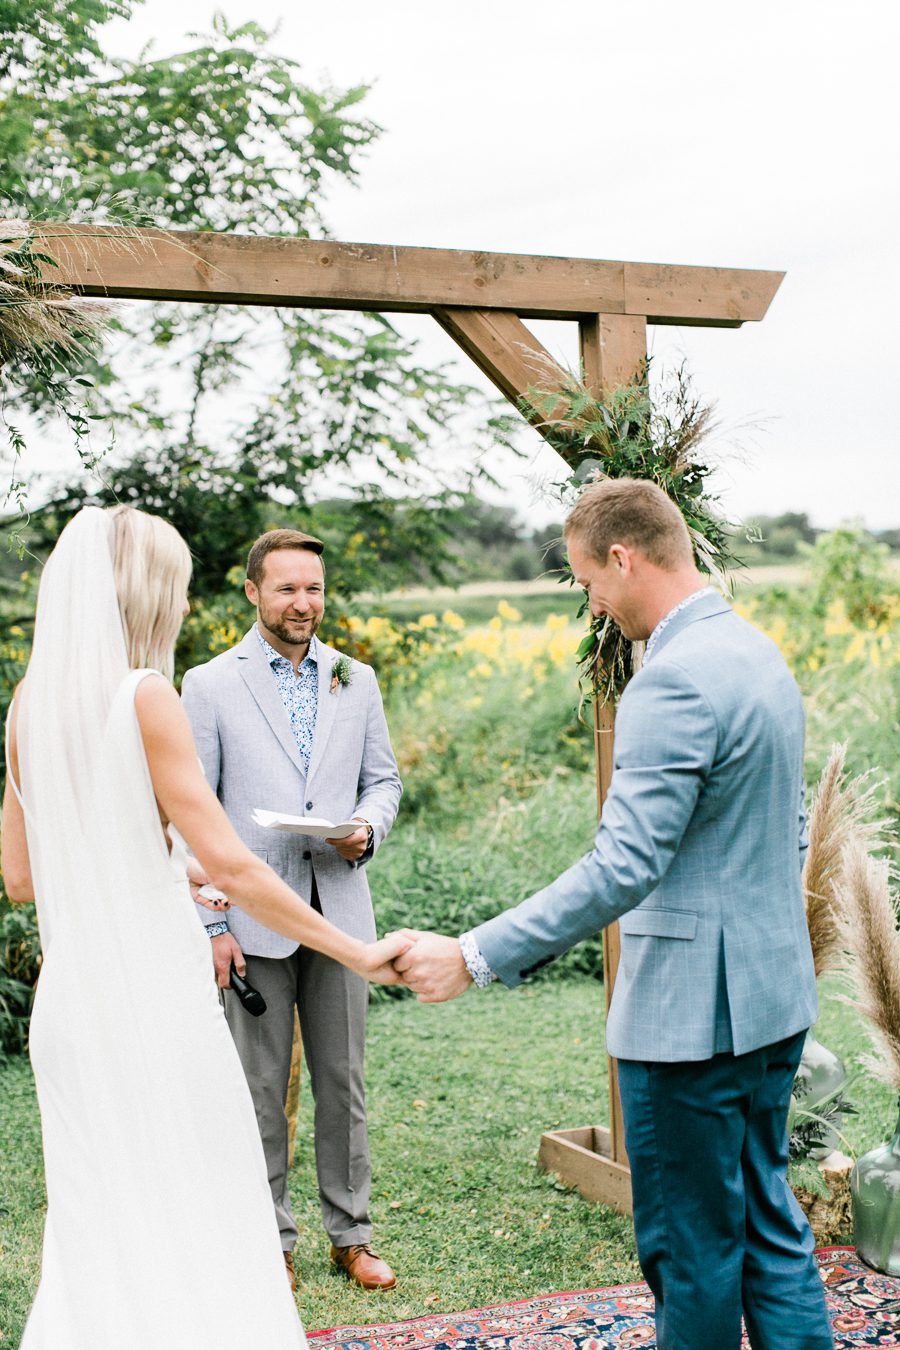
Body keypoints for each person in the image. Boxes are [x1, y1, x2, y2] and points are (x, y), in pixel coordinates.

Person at [394, 478, 835, 1350]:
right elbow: (787, 826)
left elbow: (623, 866)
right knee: (771, 1233)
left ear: (625, 558)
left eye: (590, 578)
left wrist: (475, 954)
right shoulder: (758, 654)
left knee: (692, 1251)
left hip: (691, 1025)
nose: (591, 597)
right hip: (773, 994)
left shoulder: (670, 682)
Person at [0, 506, 409, 1350]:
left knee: (101, 1220)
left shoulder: (27, 705)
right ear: (146, 594)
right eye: (177, 591)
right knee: (199, 1204)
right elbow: (235, 867)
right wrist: (358, 950)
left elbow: (22, 879)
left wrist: (156, 861)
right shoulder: (146, 695)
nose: (182, 609)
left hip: (74, 1008)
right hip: (151, 999)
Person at [181, 528, 402, 1292]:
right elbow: (192, 816)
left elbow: (386, 782)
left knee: (343, 1080)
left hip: (339, 913)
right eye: (286, 589)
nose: (302, 603)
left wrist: (367, 829)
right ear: (252, 592)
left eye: (312, 588)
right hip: (249, 920)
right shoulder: (208, 684)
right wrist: (212, 924)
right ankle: (269, 1238)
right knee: (260, 1088)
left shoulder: (356, 678)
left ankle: (352, 1234)